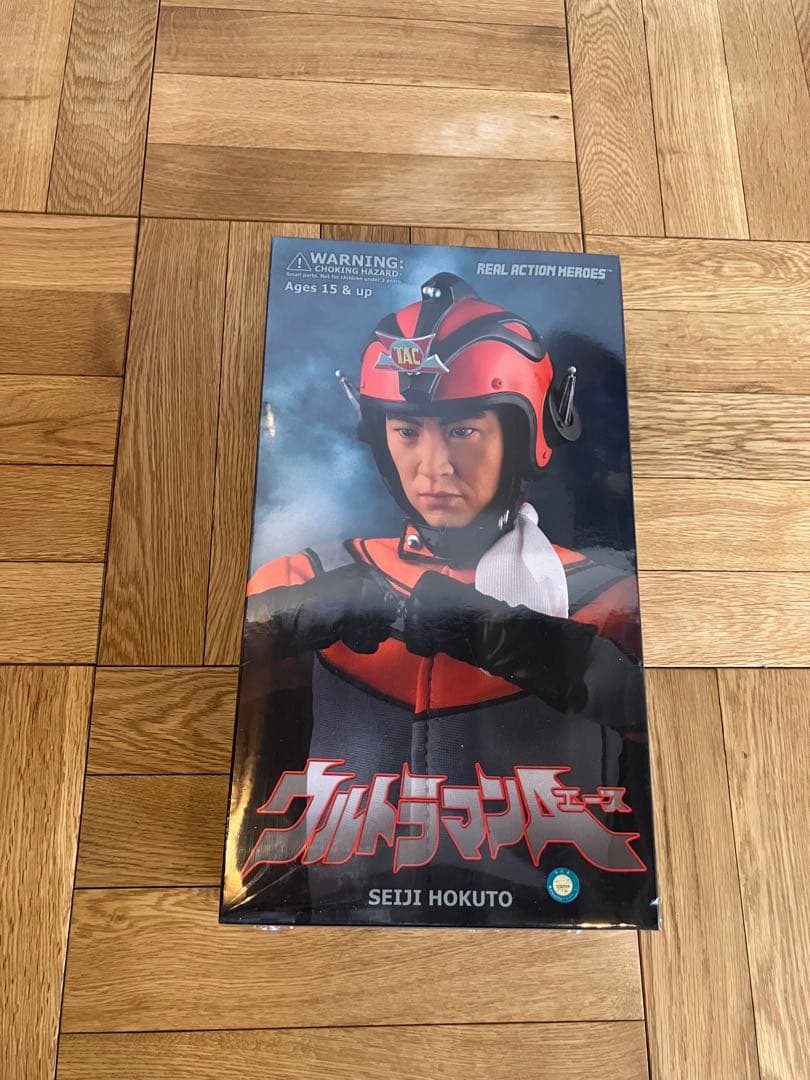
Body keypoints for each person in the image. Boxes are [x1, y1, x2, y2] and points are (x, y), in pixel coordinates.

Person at [235, 273, 651, 919]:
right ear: (378, 435)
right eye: (407, 430)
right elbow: (205, 693)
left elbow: (667, 731)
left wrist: (525, 642)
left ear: (527, 434)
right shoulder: (307, 575)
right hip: (335, 910)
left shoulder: (605, 595)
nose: (434, 467)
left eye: (462, 431)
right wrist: (283, 621)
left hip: (549, 909)